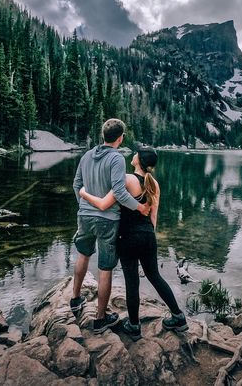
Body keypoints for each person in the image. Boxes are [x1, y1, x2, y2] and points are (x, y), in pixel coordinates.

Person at [79, 146, 188, 340]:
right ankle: (178, 317)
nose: (134, 155)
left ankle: (134, 326)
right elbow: (153, 217)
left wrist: (84, 193)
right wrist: (148, 237)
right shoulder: (154, 183)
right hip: (148, 236)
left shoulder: (127, 179)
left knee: (132, 281)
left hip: (127, 238)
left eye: (136, 153)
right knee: (155, 276)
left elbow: (104, 204)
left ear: (138, 160)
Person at [71, 119, 151, 334]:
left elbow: (77, 185)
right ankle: (100, 318)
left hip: (85, 216)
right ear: (120, 138)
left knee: (83, 255)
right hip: (107, 220)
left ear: (102, 135)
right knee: (105, 268)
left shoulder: (87, 155)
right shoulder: (116, 158)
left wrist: (85, 206)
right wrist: (140, 208)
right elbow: (120, 192)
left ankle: (75, 300)